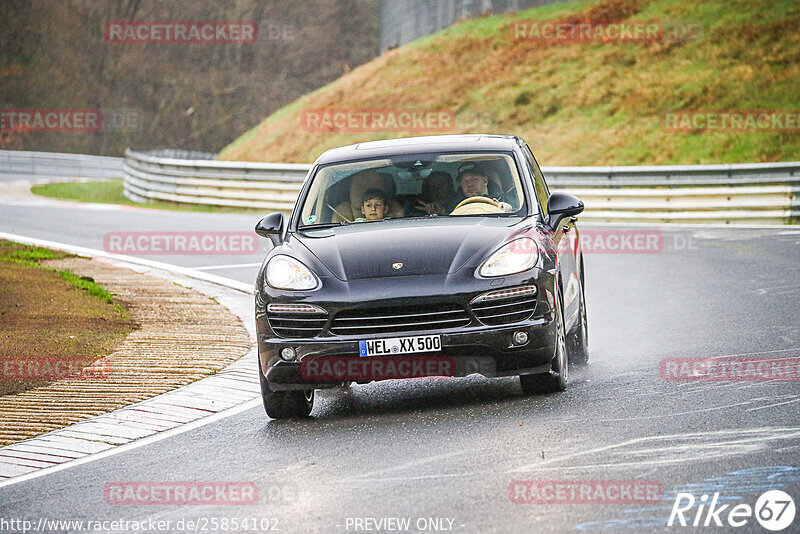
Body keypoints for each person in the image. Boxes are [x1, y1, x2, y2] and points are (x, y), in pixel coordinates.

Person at [447, 163, 512, 212]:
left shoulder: (504, 199)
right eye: (464, 181)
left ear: (485, 181)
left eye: (474, 179)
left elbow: (517, 215)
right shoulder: (454, 204)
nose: (469, 184)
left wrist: (508, 209)